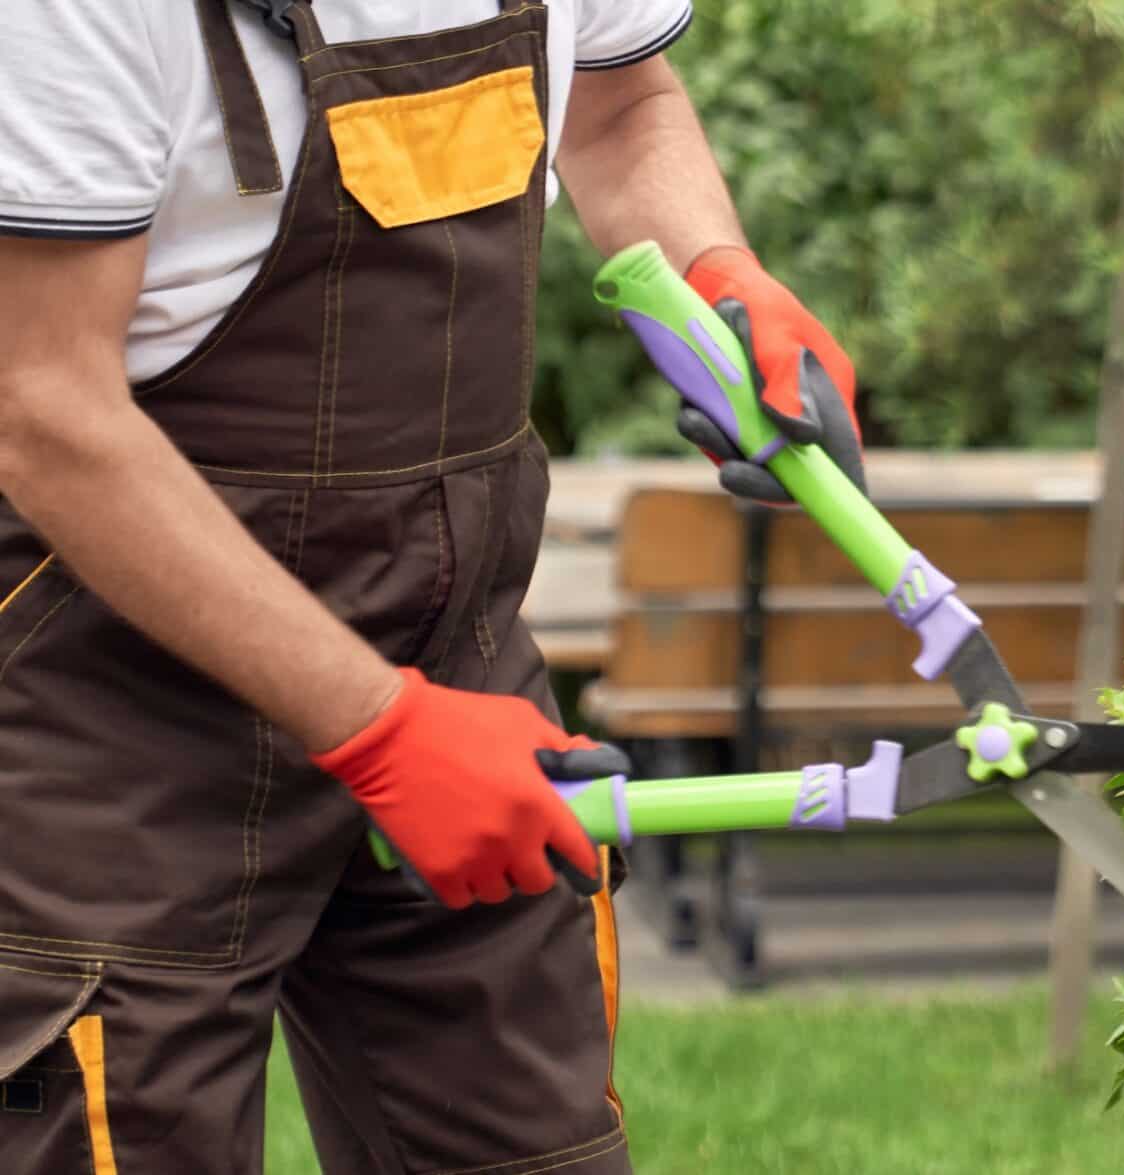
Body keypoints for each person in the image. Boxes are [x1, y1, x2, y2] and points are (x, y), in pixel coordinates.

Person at [0, 1, 863, 1170]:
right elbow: (43, 407)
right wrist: (380, 728)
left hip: (464, 687)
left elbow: (620, 108)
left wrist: (718, 269)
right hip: (104, 712)